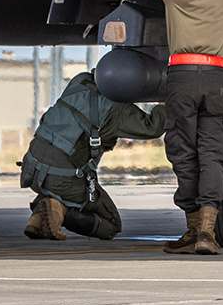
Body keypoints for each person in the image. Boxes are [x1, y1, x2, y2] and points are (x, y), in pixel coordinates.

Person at [111, 0, 223, 255]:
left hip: (182, 76)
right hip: (217, 78)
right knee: (214, 154)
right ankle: (208, 233)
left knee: (184, 152)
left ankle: (192, 227)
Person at [20, 68, 164, 241]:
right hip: (62, 178)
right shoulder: (117, 111)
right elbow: (152, 127)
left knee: (60, 182)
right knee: (111, 225)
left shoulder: (80, 81)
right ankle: (57, 209)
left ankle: (38, 218)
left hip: (32, 169)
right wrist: (165, 102)